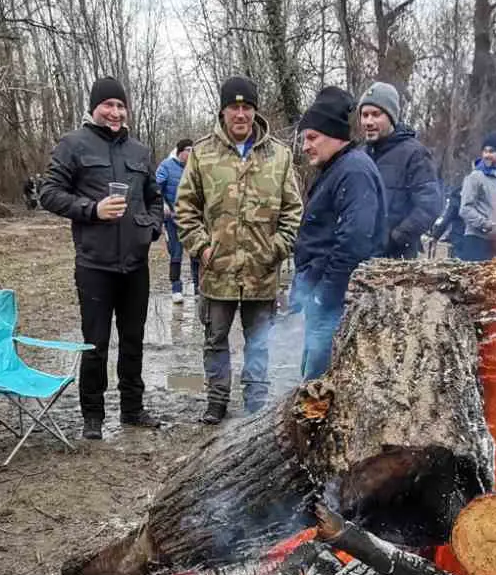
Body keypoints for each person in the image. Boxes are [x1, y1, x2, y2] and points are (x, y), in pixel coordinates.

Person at [41, 76, 165, 439]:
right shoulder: (73, 145)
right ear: (94, 108)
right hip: (94, 264)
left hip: (135, 265)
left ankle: (132, 409)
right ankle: (92, 416)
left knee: (133, 339)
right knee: (95, 343)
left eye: (120, 106)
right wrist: (92, 209)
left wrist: (151, 228)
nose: (114, 112)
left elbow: (155, 197)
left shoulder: (140, 152)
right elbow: (49, 193)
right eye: (108, 105)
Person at [173, 76, 302, 424]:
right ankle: (216, 401)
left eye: (247, 108)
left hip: (262, 270)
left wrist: (278, 247)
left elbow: (293, 210)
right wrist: (202, 248)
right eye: (234, 108)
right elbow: (185, 207)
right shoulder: (202, 154)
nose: (241, 114)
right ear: (223, 111)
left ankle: (256, 402)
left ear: (255, 111)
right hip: (218, 271)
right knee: (215, 340)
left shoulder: (279, 156)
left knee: (259, 341)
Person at [292, 86, 386, 378]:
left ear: (335, 135)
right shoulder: (337, 168)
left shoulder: (354, 171)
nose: (305, 146)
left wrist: (324, 295)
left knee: (319, 384)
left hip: (335, 305)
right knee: (311, 379)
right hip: (322, 299)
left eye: (312, 137)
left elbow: (354, 243)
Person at [358, 81, 441, 258]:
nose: (368, 121)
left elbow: (430, 205)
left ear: (391, 116)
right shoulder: (360, 156)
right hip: (361, 255)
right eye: (364, 115)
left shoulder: (415, 154)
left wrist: (396, 237)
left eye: (375, 114)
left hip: (397, 260)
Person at [457, 133, 496, 260]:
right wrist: (487, 225)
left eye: (492, 151)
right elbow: (465, 209)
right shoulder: (475, 177)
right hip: (476, 241)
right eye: (484, 151)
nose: (486, 155)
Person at [155, 139, 200, 303]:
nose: (191, 153)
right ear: (180, 151)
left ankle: (198, 289)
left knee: (196, 253)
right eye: (188, 150)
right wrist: (163, 205)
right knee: (176, 253)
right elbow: (156, 189)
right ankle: (176, 289)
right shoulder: (166, 166)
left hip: (193, 219)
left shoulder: (195, 167)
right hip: (173, 219)